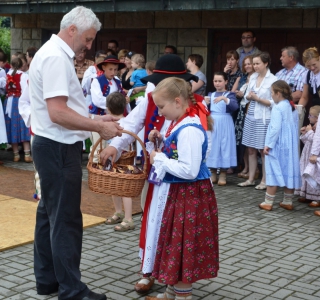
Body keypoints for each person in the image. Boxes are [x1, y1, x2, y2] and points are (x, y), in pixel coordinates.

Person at [29, 6, 122, 300]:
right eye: (88, 38)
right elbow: (57, 113)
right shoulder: (56, 57)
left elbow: (60, 108)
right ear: (72, 30)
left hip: (51, 144)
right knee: (66, 219)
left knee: (49, 214)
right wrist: (96, 124)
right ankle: (71, 290)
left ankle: (48, 281)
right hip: (57, 146)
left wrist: (97, 120)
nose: (89, 45)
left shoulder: (51, 52)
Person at [100, 54, 206, 294]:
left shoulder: (196, 107)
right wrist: (116, 145)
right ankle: (149, 272)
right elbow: (132, 123)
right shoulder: (150, 99)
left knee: (175, 230)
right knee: (152, 222)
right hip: (156, 174)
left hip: (180, 181)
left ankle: (175, 282)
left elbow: (194, 151)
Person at [145, 77, 218, 300]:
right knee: (174, 243)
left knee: (183, 244)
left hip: (190, 195)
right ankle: (170, 291)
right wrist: (162, 141)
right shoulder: (180, 122)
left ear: (177, 101)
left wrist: (159, 159)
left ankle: (182, 296)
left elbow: (190, 170)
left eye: (161, 106)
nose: (159, 112)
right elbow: (178, 152)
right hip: (181, 194)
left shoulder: (190, 128)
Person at [259, 80, 301, 211]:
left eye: (271, 93)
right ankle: (287, 201)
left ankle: (268, 202)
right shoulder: (290, 106)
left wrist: (268, 145)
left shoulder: (277, 108)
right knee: (288, 169)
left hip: (278, 144)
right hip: (289, 144)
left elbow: (275, 128)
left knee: (274, 169)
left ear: (278, 93)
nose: (271, 95)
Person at [238, 52, 278, 189]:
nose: (254, 66)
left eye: (257, 63)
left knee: (263, 150)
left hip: (264, 117)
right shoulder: (253, 77)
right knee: (250, 149)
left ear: (265, 63)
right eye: (253, 63)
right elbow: (246, 98)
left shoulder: (273, 80)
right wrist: (248, 96)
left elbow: (275, 102)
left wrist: (258, 99)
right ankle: (250, 179)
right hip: (251, 115)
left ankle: (265, 180)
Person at [103, 92, 135, 231]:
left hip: (124, 160)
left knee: (124, 189)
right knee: (113, 186)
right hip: (112, 161)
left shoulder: (125, 124)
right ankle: (119, 212)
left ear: (108, 108)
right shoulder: (109, 124)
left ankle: (129, 218)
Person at [207, 72, 238, 185]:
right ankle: (213, 172)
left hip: (225, 122)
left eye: (220, 81)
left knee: (225, 145)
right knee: (213, 145)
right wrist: (205, 103)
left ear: (225, 81)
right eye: (215, 81)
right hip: (213, 122)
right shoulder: (210, 94)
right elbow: (205, 109)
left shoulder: (229, 95)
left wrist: (225, 99)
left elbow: (235, 107)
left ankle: (223, 173)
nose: (217, 83)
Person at [4, 57, 32, 163]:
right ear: (22, 66)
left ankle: (16, 155)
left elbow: (4, 89)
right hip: (19, 102)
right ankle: (27, 154)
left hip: (9, 102)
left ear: (11, 65)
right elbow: (26, 89)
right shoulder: (23, 75)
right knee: (23, 126)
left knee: (12, 127)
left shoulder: (7, 75)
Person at [295, 106, 320, 205]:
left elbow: (317, 140)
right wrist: (305, 133)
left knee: (315, 174)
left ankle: (319, 198)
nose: (309, 117)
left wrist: (310, 132)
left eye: (311, 115)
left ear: (317, 117)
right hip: (307, 153)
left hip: (316, 154)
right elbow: (307, 141)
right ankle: (308, 195)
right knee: (306, 172)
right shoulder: (313, 126)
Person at [299, 47, 320, 126]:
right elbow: (304, 97)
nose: (312, 68)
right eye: (308, 66)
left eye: (314, 64)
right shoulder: (306, 75)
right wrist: (298, 110)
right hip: (315, 113)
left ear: (319, 59)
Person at [232, 55, 254, 179]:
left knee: (250, 142)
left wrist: (243, 94)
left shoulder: (256, 78)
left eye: (249, 63)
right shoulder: (244, 77)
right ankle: (246, 166)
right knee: (242, 141)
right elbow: (234, 91)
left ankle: (252, 169)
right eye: (245, 64)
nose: (247, 66)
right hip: (241, 110)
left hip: (249, 110)